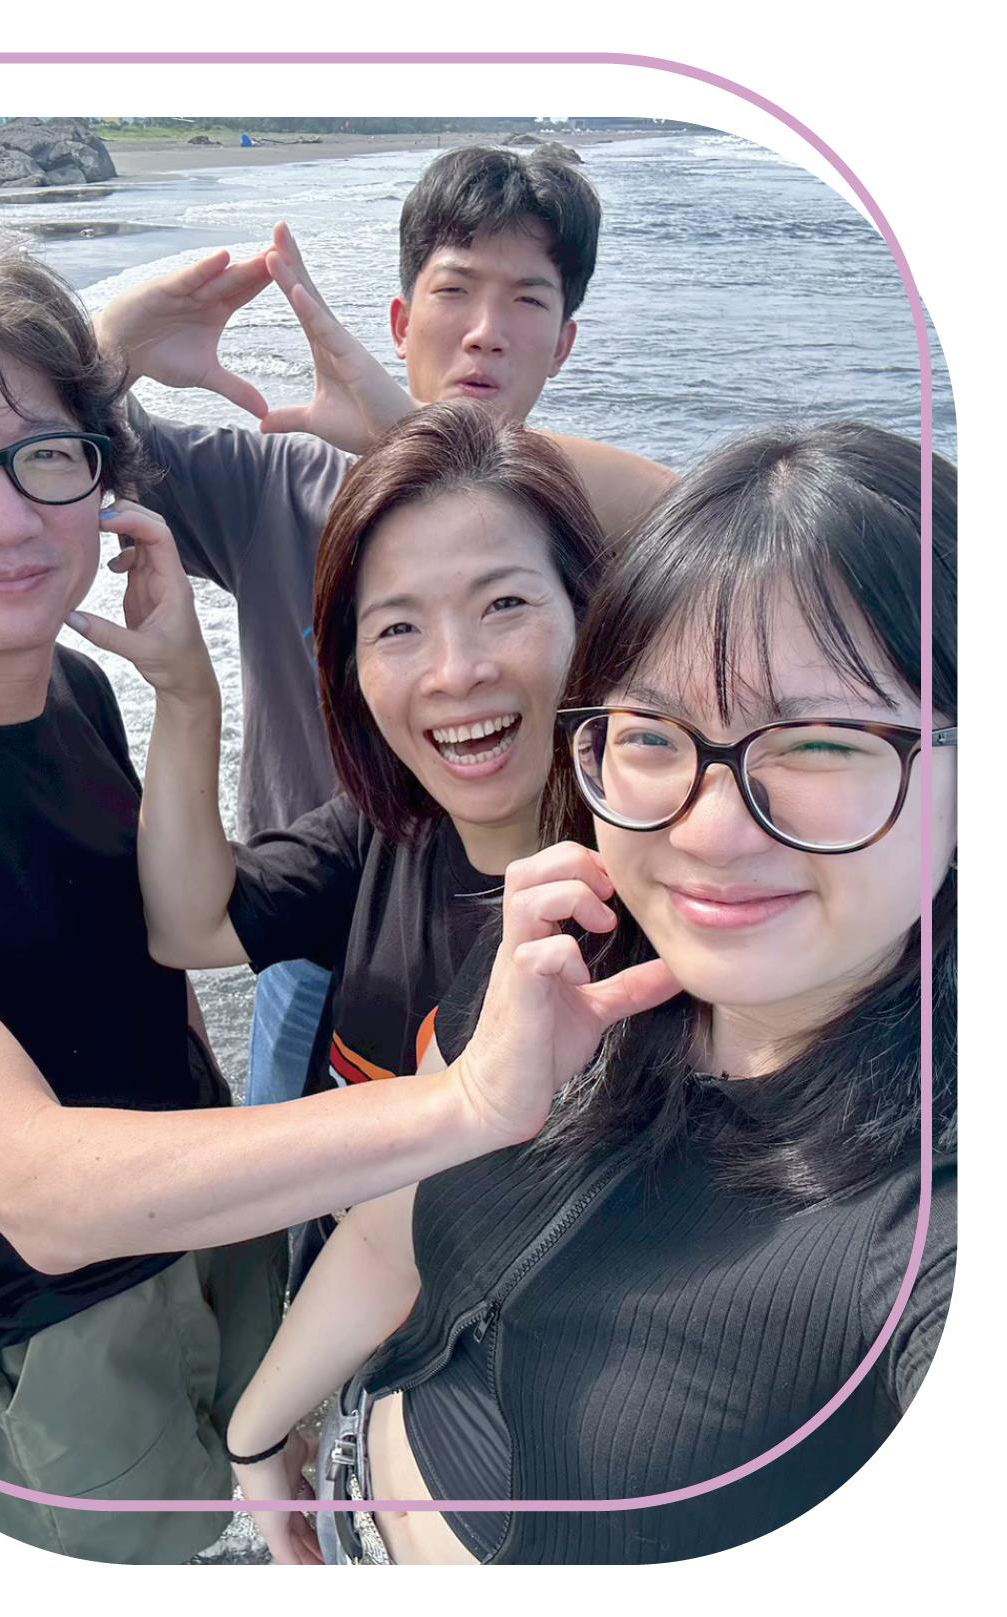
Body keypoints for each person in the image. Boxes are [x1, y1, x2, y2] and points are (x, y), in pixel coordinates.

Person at [0, 226, 582, 1565]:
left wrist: (180, 686)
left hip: (221, 1215)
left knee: (267, 1480)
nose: (5, 518)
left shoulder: (72, 688)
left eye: (46, 460)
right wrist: (467, 1104)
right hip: (51, 1323)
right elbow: (41, 1188)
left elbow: (166, 942)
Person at [224, 421, 957, 1565]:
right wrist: (257, 1441)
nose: (707, 832)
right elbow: (385, 1238)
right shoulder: (558, 952)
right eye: (652, 734)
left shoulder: (928, 1214)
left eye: (818, 743)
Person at [94, 143, 678, 1109]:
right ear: (401, 321)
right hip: (307, 909)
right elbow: (86, 457)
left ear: (564, 342)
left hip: (534, 903)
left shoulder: (581, 521)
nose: (485, 332)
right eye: (456, 290)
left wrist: (410, 433)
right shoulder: (276, 482)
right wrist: (108, 346)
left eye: (527, 300)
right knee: (313, 1156)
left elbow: (748, 528)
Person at [68, 402, 608, 1279]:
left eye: (504, 603)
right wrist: (186, 691)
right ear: (350, 669)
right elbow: (188, 926)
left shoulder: (657, 898)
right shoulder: (382, 833)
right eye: (398, 627)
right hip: (346, 1310)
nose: (455, 671)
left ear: (593, 614)